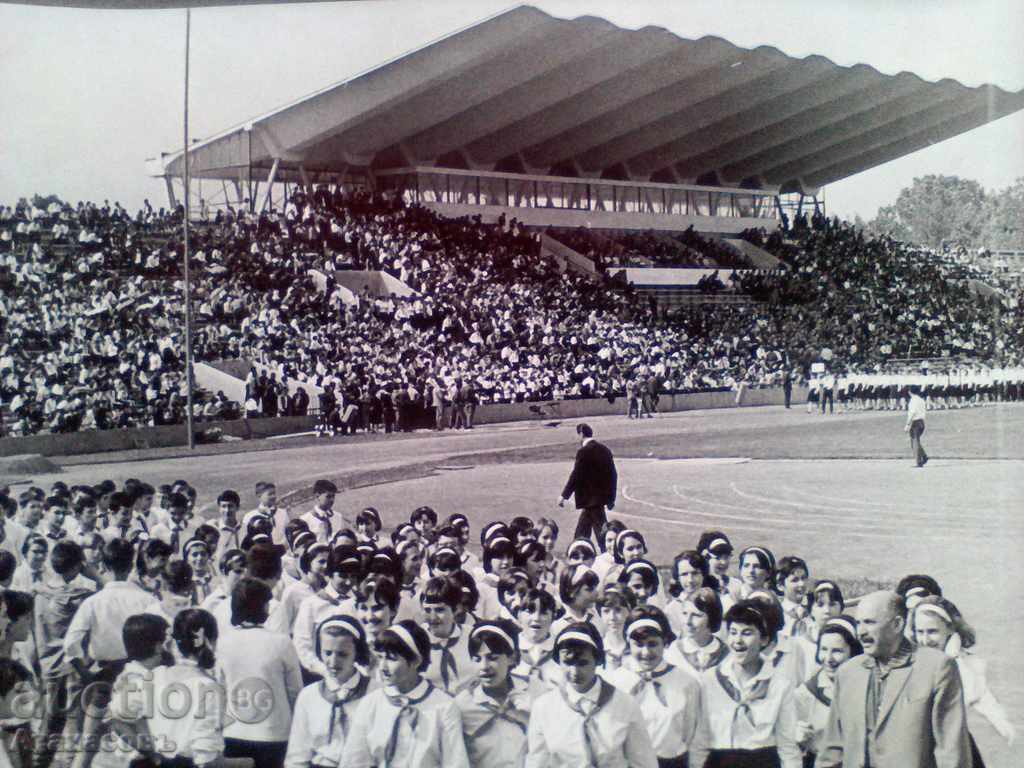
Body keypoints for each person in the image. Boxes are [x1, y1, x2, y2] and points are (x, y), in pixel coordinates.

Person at [817, 590, 971, 768]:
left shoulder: (937, 668)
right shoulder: (847, 673)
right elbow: (832, 751)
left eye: (869, 622)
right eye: (858, 623)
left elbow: (952, 753)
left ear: (897, 624)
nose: (861, 632)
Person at [525, 621, 658, 768]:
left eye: (583, 663)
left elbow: (644, 762)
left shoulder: (625, 704)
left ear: (598, 660)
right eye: (568, 663)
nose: (574, 672)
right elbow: (537, 762)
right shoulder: (544, 707)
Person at [340, 619, 470, 768]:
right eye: (380, 657)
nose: (382, 667)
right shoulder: (370, 703)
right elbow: (354, 761)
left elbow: (455, 763)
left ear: (415, 661)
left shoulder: (444, 707)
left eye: (391, 659)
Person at [911, 596, 1015, 765]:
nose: (925, 640)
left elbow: (991, 712)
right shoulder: (913, 666)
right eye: (919, 632)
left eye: (932, 631)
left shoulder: (969, 666)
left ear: (950, 629)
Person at [217, 577, 303, 768]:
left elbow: (218, 690)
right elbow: (295, 692)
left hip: (233, 732)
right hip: (274, 734)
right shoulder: (282, 643)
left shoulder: (223, 643)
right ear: (263, 607)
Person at [285, 615, 375, 768]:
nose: (333, 662)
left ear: (357, 652)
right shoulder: (309, 696)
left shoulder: (375, 693)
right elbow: (297, 755)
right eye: (327, 653)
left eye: (342, 654)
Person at [558, 423, 617, 544]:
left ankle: (611, 553)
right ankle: (578, 547)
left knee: (601, 532)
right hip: (599, 499)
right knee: (583, 529)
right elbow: (613, 475)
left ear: (581, 434)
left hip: (590, 499)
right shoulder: (605, 450)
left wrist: (564, 496)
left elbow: (576, 476)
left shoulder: (583, 452)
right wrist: (611, 498)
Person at [905, 385, 929, 467]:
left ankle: (919, 461)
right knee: (915, 441)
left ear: (910, 392)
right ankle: (924, 456)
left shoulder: (913, 400)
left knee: (914, 442)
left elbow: (912, 413)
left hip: (916, 422)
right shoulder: (921, 400)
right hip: (922, 421)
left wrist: (908, 424)